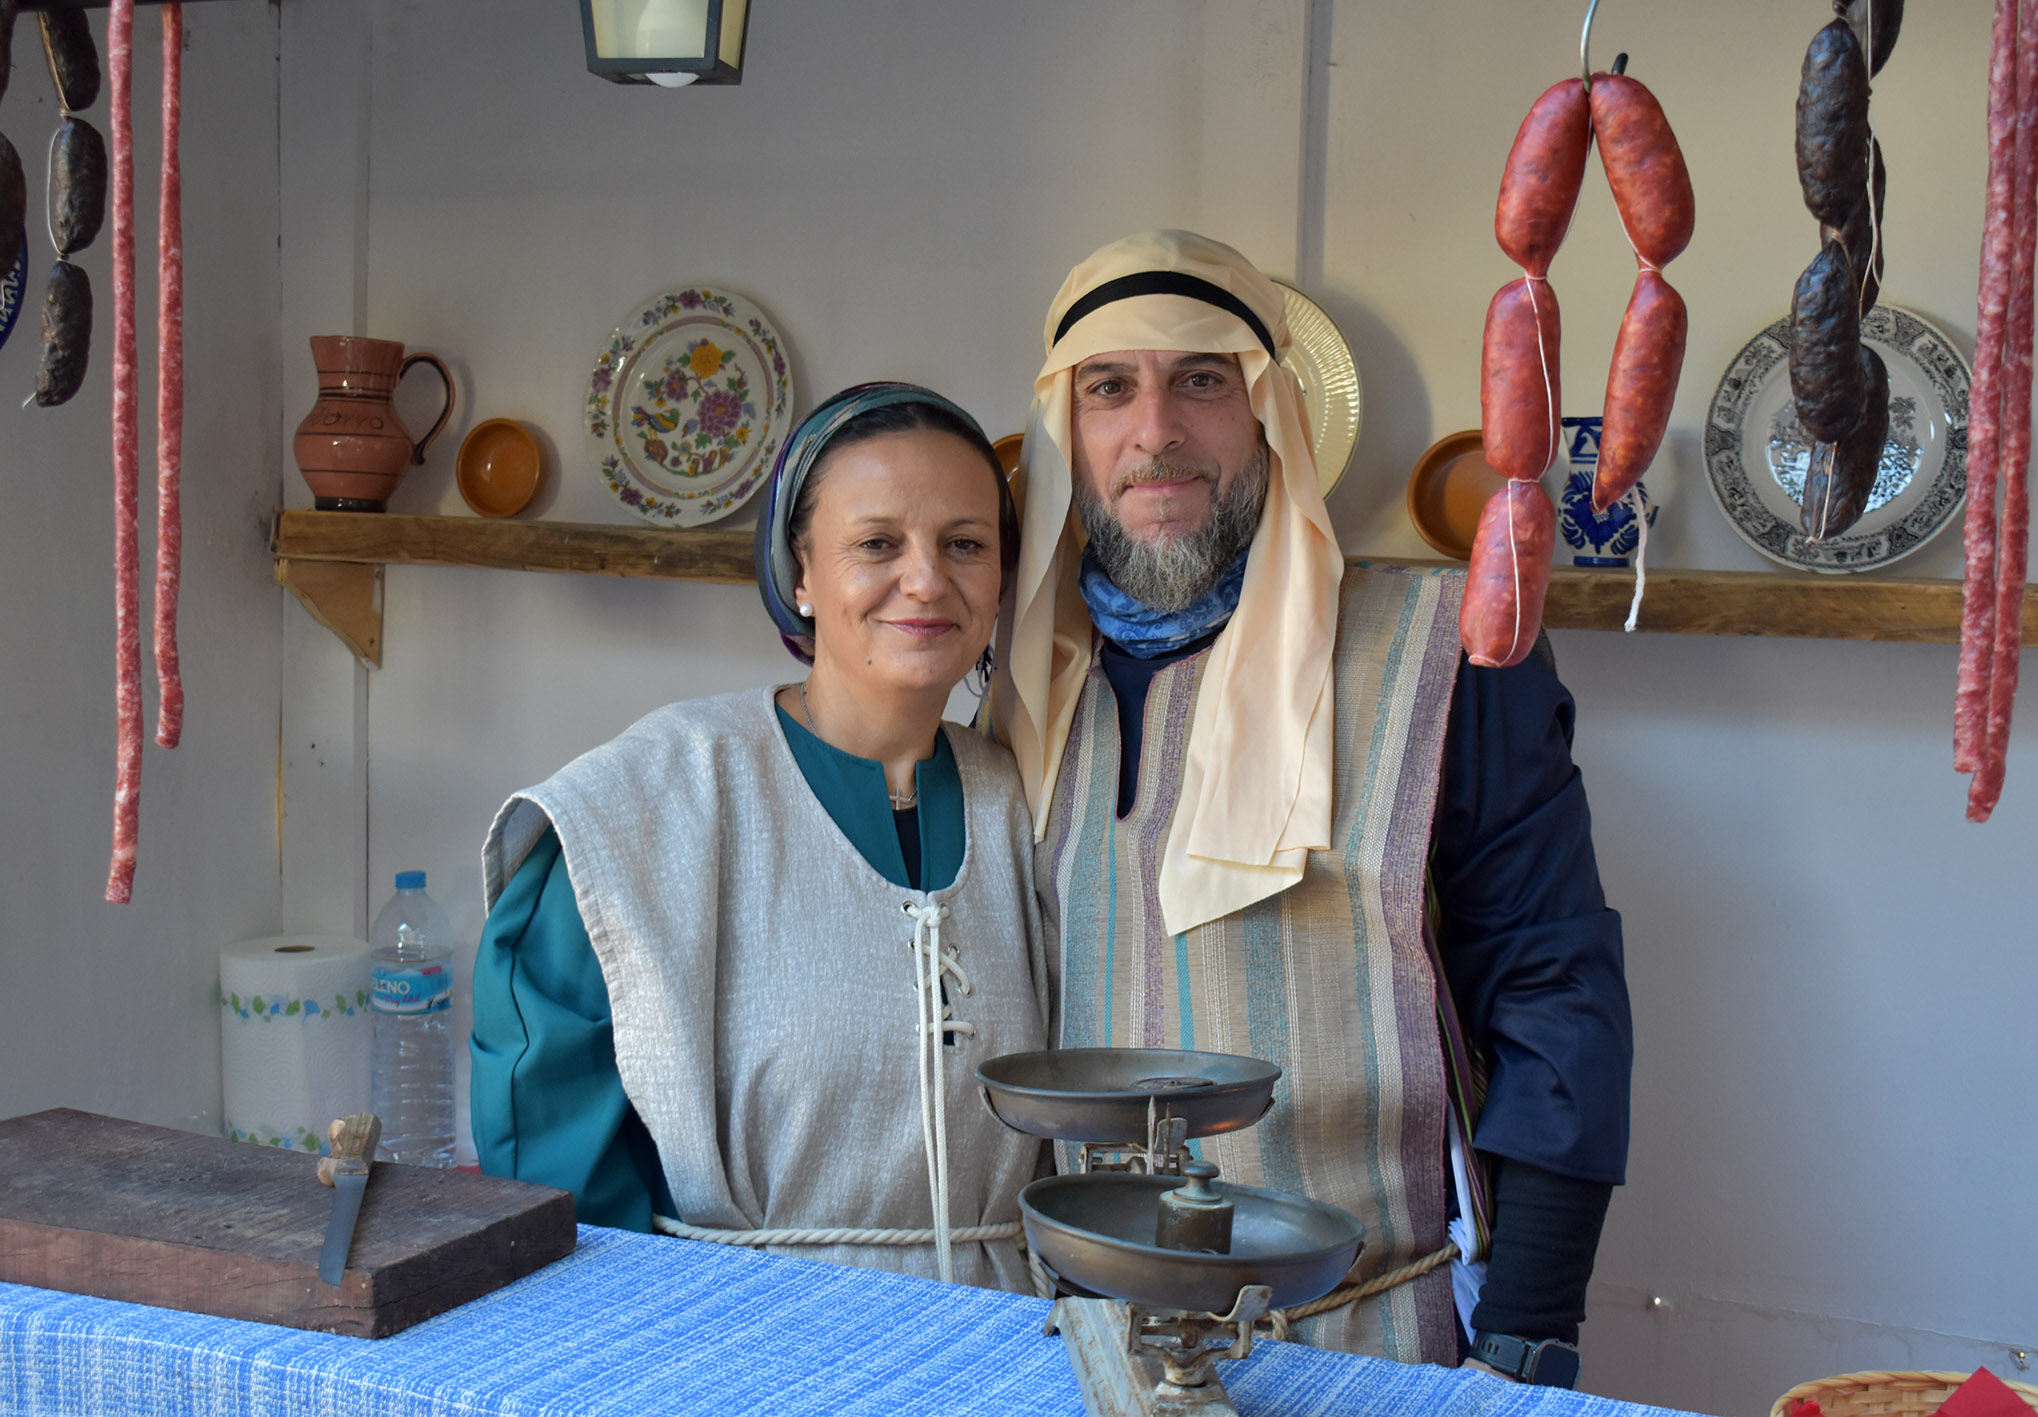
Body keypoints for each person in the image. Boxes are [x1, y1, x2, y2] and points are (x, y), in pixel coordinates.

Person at [988, 231, 1631, 1382]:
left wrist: (1532, 1319)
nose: (1154, 432)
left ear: (1270, 413)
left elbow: (1552, 987)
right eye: (1108, 389)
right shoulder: (1016, 680)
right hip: (1066, 1337)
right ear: (1065, 432)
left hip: (1372, 1337)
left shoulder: (1448, 655)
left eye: (1201, 381)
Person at [471, 382, 1048, 1292]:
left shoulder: (1025, 804)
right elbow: (552, 1162)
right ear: (801, 573)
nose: (928, 578)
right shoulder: (646, 804)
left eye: (965, 544)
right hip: (738, 1347)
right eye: (876, 543)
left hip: (1000, 1346)